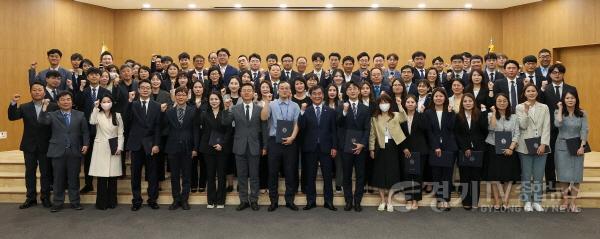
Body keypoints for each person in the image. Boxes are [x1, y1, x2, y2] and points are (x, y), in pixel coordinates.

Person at [8, 81, 58, 209]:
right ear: (30, 92)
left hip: (46, 145)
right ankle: (30, 198)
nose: (37, 92)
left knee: (46, 173)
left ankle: (45, 197)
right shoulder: (24, 107)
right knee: (29, 172)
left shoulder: (52, 106)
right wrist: (13, 103)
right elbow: (12, 116)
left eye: (39, 90)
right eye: (34, 90)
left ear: (44, 92)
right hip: (29, 145)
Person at [38, 91, 89, 212]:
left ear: (72, 101)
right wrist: (44, 107)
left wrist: (86, 144)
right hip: (57, 151)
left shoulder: (80, 115)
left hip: (75, 150)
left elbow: (85, 132)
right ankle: (58, 202)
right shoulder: (52, 114)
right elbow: (42, 121)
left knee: (73, 178)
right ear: (58, 102)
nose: (65, 102)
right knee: (58, 179)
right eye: (62, 100)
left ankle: (75, 202)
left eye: (68, 99)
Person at [222, 83, 267, 211]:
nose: (247, 92)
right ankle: (243, 200)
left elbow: (264, 129)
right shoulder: (235, 108)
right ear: (241, 93)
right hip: (239, 146)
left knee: (254, 175)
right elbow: (226, 122)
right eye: (244, 91)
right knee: (241, 175)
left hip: (254, 146)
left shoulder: (259, 109)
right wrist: (226, 109)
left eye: (249, 90)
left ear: (253, 94)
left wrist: (265, 146)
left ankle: (254, 200)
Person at [260, 81, 301, 211]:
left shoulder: (295, 106)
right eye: (281, 88)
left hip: (290, 142)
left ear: (290, 91)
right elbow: (263, 117)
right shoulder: (271, 104)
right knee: (272, 172)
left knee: (290, 172)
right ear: (278, 90)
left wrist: (292, 138)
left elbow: (297, 123)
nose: (284, 90)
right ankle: (273, 201)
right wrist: (266, 102)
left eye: (286, 88)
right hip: (274, 142)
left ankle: (290, 200)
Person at [124, 80, 162, 211]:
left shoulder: (156, 106)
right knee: (135, 174)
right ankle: (136, 200)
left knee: (152, 174)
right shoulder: (132, 105)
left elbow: (158, 127)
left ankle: (152, 199)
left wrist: (157, 144)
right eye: (143, 88)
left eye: (148, 88)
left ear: (151, 90)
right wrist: (129, 101)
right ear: (138, 90)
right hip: (136, 144)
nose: (145, 90)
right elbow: (126, 120)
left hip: (151, 144)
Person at [298, 86, 338, 211]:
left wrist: (334, 146)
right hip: (310, 148)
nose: (317, 96)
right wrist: (302, 112)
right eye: (314, 94)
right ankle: (311, 201)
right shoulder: (306, 110)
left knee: (327, 176)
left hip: (326, 148)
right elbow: (301, 128)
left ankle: (329, 201)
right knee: (310, 176)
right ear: (310, 96)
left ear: (323, 95)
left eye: (319, 93)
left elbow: (334, 131)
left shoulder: (330, 111)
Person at [541, 63, 578, 193]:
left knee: (567, 157)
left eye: (560, 72)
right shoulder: (545, 89)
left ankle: (567, 184)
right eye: (554, 72)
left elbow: (576, 105)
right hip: (550, 127)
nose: (557, 74)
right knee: (550, 157)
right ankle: (550, 184)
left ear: (563, 74)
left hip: (567, 128)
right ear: (550, 74)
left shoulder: (571, 88)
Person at [74, 67, 111, 194]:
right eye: (91, 75)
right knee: (88, 158)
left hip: (102, 129)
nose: (94, 77)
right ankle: (88, 184)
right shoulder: (83, 92)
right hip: (86, 130)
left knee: (103, 157)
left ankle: (103, 184)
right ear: (87, 77)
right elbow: (77, 106)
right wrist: (79, 89)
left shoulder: (105, 92)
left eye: (96, 75)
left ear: (100, 77)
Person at [515, 83, 551, 212]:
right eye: (528, 91)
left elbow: (547, 126)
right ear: (524, 93)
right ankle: (526, 201)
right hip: (525, 145)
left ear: (537, 93)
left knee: (539, 174)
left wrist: (543, 143)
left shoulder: (544, 107)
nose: (531, 93)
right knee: (526, 174)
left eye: (533, 91)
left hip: (541, 144)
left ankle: (537, 201)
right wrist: (525, 112)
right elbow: (522, 126)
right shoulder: (519, 107)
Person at [368, 94, 407, 212]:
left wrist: (400, 104)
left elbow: (404, 117)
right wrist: (371, 149)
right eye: (381, 102)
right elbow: (372, 134)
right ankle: (382, 200)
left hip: (394, 146)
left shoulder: (395, 115)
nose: (384, 105)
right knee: (380, 173)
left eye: (386, 102)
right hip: (380, 146)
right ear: (378, 104)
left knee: (392, 173)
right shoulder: (374, 118)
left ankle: (389, 200)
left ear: (390, 104)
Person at [338, 81, 371, 212]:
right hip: (346, 147)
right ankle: (348, 201)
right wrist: (344, 112)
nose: (352, 91)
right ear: (346, 92)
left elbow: (367, 128)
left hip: (361, 148)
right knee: (346, 175)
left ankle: (357, 201)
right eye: (349, 89)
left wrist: (362, 144)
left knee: (360, 175)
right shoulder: (341, 106)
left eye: (355, 89)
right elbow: (338, 124)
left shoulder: (365, 108)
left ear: (359, 91)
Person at [164, 87, 199, 211]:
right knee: (174, 176)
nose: (180, 97)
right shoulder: (169, 112)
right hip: (172, 147)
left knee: (186, 175)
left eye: (183, 95)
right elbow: (165, 129)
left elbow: (196, 130)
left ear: (187, 96)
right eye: (178, 95)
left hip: (188, 147)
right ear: (175, 97)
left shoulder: (193, 111)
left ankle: (184, 200)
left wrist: (195, 147)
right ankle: (176, 199)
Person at [554, 90, 588, 213]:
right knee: (563, 175)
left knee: (576, 175)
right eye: (567, 98)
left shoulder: (582, 113)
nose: (570, 100)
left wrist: (582, 146)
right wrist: (560, 108)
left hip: (577, 147)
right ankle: (565, 201)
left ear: (576, 99)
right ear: (564, 100)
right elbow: (558, 124)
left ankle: (573, 202)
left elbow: (584, 130)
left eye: (572, 98)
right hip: (562, 146)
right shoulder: (558, 112)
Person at [485, 94, 521, 211]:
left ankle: (505, 200)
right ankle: (496, 200)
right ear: (495, 103)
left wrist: (511, 148)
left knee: (508, 176)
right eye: (499, 101)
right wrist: (494, 113)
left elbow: (517, 133)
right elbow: (492, 128)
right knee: (495, 176)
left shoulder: (514, 117)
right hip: (493, 147)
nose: (501, 103)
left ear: (508, 103)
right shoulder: (490, 115)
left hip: (510, 148)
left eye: (504, 101)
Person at [88, 95, 124, 210]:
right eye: (104, 101)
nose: (106, 103)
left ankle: (112, 202)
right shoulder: (97, 114)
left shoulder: (117, 115)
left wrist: (120, 147)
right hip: (101, 147)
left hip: (114, 147)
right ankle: (101, 203)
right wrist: (95, 107)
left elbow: (121, 133)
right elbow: (92, 122)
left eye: (108, 101)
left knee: (113, 177)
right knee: (102, 178)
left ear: (112, 103)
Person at [424, 88, 457, 211]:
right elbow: (429, 132)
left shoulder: (450, 111)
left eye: (441, 96)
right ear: (433, 98)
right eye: (436, 96)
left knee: (447, 175)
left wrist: (449, 114)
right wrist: (436, 146)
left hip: (449, 147)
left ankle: (446, 200)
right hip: (434, 148)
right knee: (437, 175)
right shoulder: (428, 112)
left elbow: (451, 128)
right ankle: (439, 199)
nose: (438, 98)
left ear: (445, 98)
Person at [455, 93, 488, 210]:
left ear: (474, 102)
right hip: (464, 151)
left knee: (476, 177)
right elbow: (457, 134)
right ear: (462, 103)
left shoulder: (479, 114)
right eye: (465, 101)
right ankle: (466, 201)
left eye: (470, 101)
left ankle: (475, 200)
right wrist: (465, 147)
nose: (467, 103)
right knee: (465, 177)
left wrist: (484, 113)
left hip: (478, 150)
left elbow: (485, 130)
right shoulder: (458, 116)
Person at [199, 93, 232, 209]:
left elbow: (229, 132)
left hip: (222, 148)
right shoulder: (204, 114)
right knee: (210, 174)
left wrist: (221, 144)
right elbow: (202, 132)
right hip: (208, 148)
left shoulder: (226, 113)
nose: (214, 101)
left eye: (216, 99)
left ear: (220, 100)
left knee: (222, 175)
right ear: (208, 101)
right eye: (211, 99)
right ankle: (211, 200)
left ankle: (221, 200)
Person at [400, 95, 430, 211]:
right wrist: (404, 148)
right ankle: (408, 198)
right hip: (406, 150)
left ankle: (416, 199)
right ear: (405, 104)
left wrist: (422, 113)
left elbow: (425, 128)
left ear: (416, 104)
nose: (410, 103)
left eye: (413, 102)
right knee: (407, 175)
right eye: (408, 102)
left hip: (420, 150)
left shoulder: (421, 115)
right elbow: (399, 134)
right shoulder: (401, 117)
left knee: (418, 176)